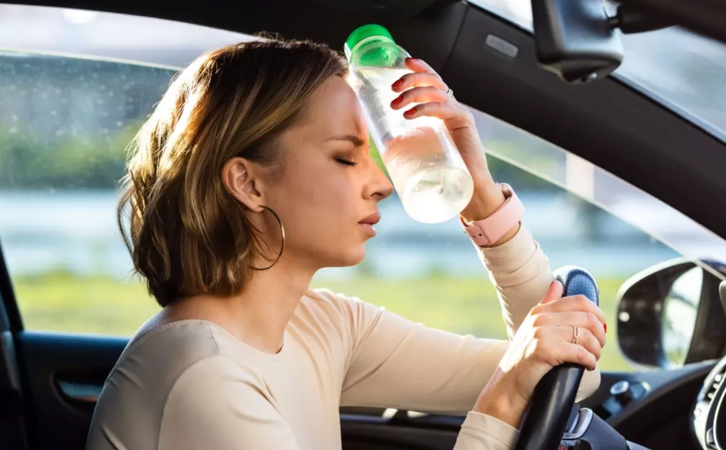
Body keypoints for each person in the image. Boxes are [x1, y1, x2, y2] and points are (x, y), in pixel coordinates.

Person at [85, 38, 606, 450]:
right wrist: (505, 397)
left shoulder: (323, 326)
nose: (381, 183)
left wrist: (482, 198)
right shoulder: (202, 376)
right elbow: (522, 383)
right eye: (344, 156)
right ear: (248, 184)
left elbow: (565, 378)